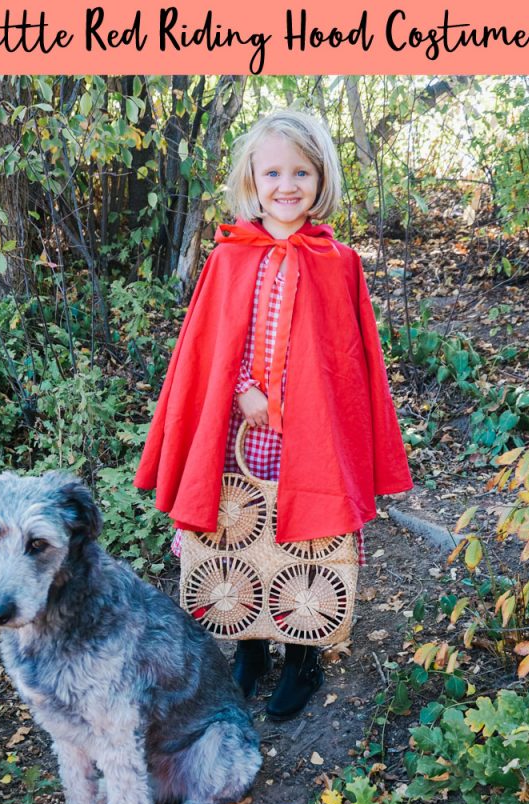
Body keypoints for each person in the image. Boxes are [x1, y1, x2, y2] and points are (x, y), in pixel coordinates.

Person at [134, 110, 412, 718]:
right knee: (239, 526)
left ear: (321, 178)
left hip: (310, 436)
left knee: (307, 535)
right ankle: (250, 648)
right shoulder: (230, 258)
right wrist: (240, 390)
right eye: (274, 172)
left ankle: (304, 654)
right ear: (252, 181)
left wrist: (314, 409)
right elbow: (208, 347)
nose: (287, 185)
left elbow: (347, 360)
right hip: (241, 428)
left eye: (302, 173)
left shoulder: (339, 262)